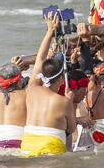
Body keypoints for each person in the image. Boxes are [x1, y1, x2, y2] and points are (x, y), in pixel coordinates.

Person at [21, 13, 76, 156]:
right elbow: (71, 128)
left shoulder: (31, 89)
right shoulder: (64, 101)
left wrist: (50, 31)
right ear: (60, 80)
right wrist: (70, 101)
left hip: (28, 144)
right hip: (51, 146)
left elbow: (40, 58)